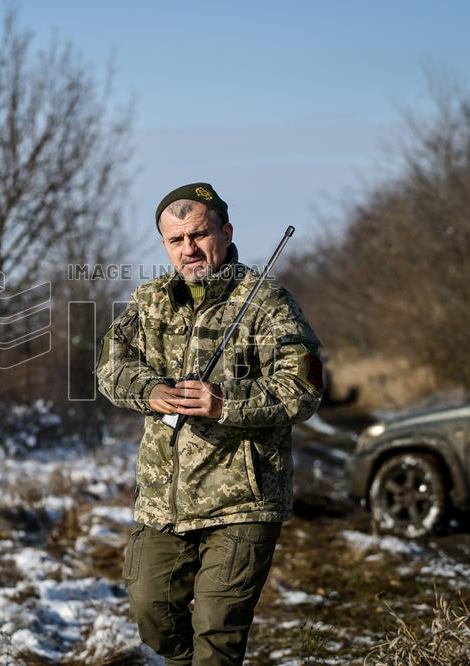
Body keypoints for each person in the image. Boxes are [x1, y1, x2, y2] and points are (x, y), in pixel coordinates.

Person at [96, 182, 324, 665]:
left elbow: (302, 390)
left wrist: (225, 402)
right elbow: (111, 369)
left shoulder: (268, 303)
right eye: (176, 240)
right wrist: (152, 392)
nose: (189, 249)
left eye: (199, 235)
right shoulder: (149, 302)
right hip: (164, 501)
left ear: (226, 231)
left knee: (217, 631)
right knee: (150, 610)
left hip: (243, 500)